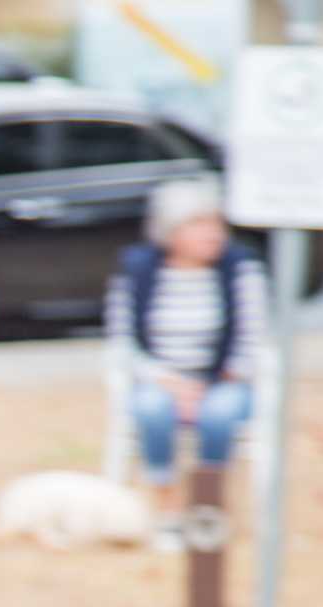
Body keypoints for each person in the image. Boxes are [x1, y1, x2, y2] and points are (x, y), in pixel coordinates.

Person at [106, 176, 268, 551]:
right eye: (199, 225)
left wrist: (216, 383)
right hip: (162, 382)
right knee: (150, 409)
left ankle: (208, 510)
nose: (212, 234)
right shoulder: (138, 272)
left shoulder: (240, 270)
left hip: (223, 381)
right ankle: (169, 510)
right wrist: (169, 383)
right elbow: (124, 343)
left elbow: (252, 341)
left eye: (216, 224)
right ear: (171, 231)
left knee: (220, 413)